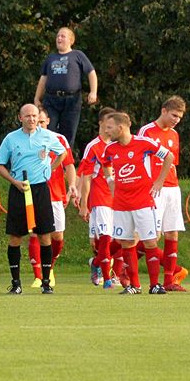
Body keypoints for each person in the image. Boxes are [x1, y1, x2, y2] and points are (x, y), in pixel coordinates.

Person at [0, 104, 67, 294]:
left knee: (44, 235)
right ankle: (16, 283)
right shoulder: (11, 138)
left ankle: (46, 282)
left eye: (34, 116)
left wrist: (51, 168)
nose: (32, 119)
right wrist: (14, 181)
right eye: (28, 116)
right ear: (20, 118)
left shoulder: (48, 136)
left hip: (41, 189)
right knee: (16, 236)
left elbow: (62, 153)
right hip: (19, 189)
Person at [102, 112, 174, 295]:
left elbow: (168, 156)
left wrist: (159, 181)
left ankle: (155, 285)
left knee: (150, 242)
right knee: (126, 243)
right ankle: (134, 285)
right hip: (121, 204)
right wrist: (110, 181)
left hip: (143, 202)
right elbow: (105, 164)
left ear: (121, 127)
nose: (106, 130)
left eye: (109, 127)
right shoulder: (110, 149)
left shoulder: (143, 143)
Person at [137, 96, 190, 292]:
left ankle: (170, 280)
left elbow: (173, 163)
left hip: (172, 188)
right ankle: (123, 266)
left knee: (172, 233)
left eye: (180, 117)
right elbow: (139, 158)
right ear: (164, 110)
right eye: (174, 115)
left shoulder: (174, 134)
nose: (177, 119)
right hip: (154, 189)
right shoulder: (147, 131)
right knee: (153, 236)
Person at [27, 108, 78, 288]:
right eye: (36, 121)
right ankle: (38, 276)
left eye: (41, 121)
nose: (38, 124)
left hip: (55, 193)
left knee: (57, 236)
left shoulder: (59, 139)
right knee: (35, 232)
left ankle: (50, 267)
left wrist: (72, 185)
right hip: (34, 192)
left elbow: (69, 165)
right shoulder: (27, 139)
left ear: (48, 121)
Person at [33, 27, 98, 147]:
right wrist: (37, 98)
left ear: (71, 40)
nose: (59, 38)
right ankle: (47, 162)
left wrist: (93, 92)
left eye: (63, 36)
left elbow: (91, 73)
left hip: (72, 100)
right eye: (58, 36)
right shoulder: (51, 58)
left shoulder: (77, 55)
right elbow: (43, 78)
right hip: (51, 100)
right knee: (48, 131)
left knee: (68, 134)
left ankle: (65, 164)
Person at [78, 107, 118, 289]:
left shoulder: (119, 146)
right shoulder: (93, 147)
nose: (111, 127)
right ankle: (107, 278)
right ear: (101, 123)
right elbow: (85, 176)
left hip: (119, 200)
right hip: (100, 197)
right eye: (108, 123)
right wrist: (83, 203)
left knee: (121, 239)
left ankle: (97, 263)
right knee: (105, 238)